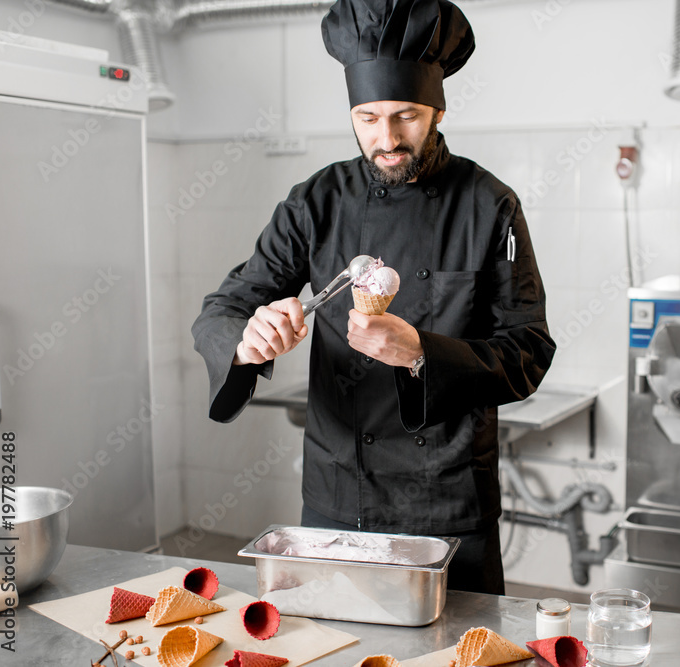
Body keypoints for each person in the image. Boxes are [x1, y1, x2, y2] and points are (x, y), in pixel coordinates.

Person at [191, 0, 555, 595]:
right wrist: (246, 339)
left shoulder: (491, 206)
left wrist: (419, 353)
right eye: (366, 118)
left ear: (438, 107)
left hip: (450, 506)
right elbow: (224, 308)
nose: (386, 139)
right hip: (339, 497)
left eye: (405, 116)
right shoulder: (316, 202)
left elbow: (529, 351)